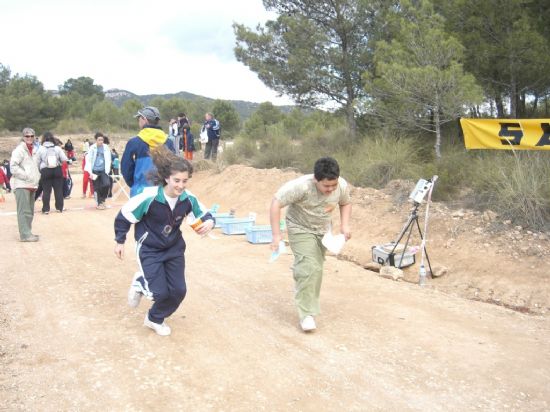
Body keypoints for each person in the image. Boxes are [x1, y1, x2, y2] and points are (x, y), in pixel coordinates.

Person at [114, 146, 215, 336]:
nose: (181, 185)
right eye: (177, 180)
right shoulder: (149, 197)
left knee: (178, 291)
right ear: (167, 178)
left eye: (185, 181)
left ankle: (154, 318)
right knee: (159, 293)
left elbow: (205, 213)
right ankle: (140, 281)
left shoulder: (187, 198)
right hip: (149, 249)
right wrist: (120, 240)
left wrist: (209, 222)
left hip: (174, 249)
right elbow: (125, 215)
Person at [269, 157, 352, 332]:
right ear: (316, 179)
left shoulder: (342, 185)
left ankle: (302, 279)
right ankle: (306, 314)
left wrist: (345, 225)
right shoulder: (301, 187)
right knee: (309, 267)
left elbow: (345, 203)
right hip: (299, 227)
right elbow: (276, 203)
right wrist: (276, 235)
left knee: (316, 269)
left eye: (333, 186)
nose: (330, 190)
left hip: (323, 231)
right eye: (326, 186)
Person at [121, 106, 175, 197]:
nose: (138, 121)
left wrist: (135, 184)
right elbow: (174, 168)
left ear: (144, 119)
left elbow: (126, 168)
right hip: (163, 194)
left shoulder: (134, 142)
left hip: (139, 193)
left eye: (139, 118)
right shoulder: (169, 142)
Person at [10, 128, 41, 241]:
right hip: (22, 184)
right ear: (23, 137)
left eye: (32, 136)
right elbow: (13, 167)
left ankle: (28, 232)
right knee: (24, 211)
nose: (30, 138)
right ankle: (25, 234)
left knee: (30, 211)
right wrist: (26, 175)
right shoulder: (19, 150)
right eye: (27, 136)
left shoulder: (34, 150)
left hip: (31, 184)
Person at [36, 132, 68, 214]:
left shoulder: (40, 149)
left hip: (45, 171)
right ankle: (59, 208)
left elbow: (37, 162)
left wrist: (40, 170)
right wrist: (59, 163)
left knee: (46, 191)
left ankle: (46, 209)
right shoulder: (57, 148)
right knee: (58, 190)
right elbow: (64, 159)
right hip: (57, 170)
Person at [85, 132, 112, 210]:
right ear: (96, 140)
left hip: (103, 170)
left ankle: (103, 199)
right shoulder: (92, 148)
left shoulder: (106, 147)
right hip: (94, 170)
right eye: (99, 140)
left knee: (106, 184)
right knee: (97, 188)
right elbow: (89, 160)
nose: (101, 141)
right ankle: (99, 203)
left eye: (102, 140)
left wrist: (108, 168)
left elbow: (108, 159)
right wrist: (90, 171)